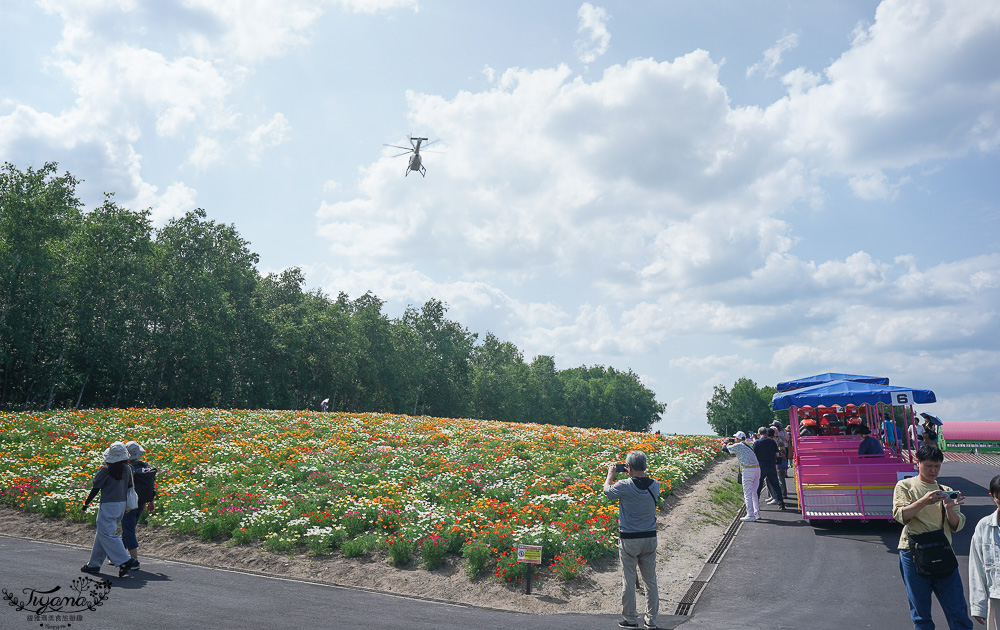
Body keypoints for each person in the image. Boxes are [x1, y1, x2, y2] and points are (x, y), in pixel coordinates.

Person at [893, 445, 973, 630]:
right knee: (920, 612)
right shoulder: (905, 486)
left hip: (942, 551)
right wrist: (924, 501)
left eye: (937, 466)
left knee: (958, 610)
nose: (933, 471)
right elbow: (901, 516)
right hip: (912, 552)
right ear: (917, 462)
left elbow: (956, 526)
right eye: (928, 465)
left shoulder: (945, 489)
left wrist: (949, 508)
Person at [605, 451, 660, 630]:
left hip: (629, 538)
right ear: (644, 465)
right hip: (650, 537)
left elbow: (608, 492)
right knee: (650, 579)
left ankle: (630, 618)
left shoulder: (624, 485)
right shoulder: (655, 485)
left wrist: (610, 475)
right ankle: (651, 620)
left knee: (629, 578)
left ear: (628, 467)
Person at [80, 442, 140, 577]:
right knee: (102, 534)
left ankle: (124, 560)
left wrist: (86, 504)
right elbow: (130, 487)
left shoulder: (105, 470)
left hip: (108, 505)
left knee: (107, 535)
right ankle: (94, 565)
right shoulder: (127, 468)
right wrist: (128, 505)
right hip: (122, 504)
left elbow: (96, 488)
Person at [120, 441, 157, 570]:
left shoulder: (127, 468)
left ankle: (134, 560)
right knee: (128, 528)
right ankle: (119, 555)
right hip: (141, 502)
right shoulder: (146, 467)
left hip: (129, 504)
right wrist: (151, 500)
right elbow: (151, 485)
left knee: (128, 530)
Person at [969, 474, 1000, 628]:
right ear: (992, 497)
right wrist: (978, 605)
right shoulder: (984, 526)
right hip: (997, 596)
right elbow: (976, 566)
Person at [723, 431, 761, 523]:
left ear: (738, 439)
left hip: (748, 470)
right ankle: (757, 513)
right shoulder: (747, 445)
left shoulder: (738, 445)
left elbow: (725, 449)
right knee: (753, 493)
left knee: (747, 493)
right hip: (757, 469)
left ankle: (750, 515)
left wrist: (725, 442)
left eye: (735, 438)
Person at [754, 427, 786, 511]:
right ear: (767, 433)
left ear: (759, 433)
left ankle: (756, 504)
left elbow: (754, 455)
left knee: (758, 485)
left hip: (761, 465)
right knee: (775, 485)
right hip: (771, 465)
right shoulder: (772, 442)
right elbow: (777, 453)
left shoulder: (757, 443)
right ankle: (781, 503)